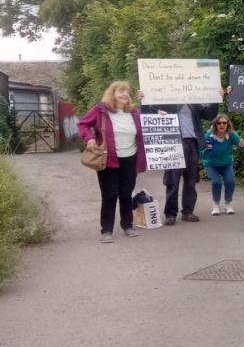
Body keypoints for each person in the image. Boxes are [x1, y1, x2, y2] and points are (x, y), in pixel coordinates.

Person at [79, 81, 147, 243]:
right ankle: (107, 230)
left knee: (125, 193)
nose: (125, 94)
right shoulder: (101, 110)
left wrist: (160, 114)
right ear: (113, 93)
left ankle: (127, 225)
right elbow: (83, 124)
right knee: (109, 195)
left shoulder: (134, 113)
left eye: (127, 92)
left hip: (130, 159)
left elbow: (149, 122)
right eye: (121, 91)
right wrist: (89, 139)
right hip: (108, 159)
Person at [139, 90, 220, 226]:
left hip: (192, 144)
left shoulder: (194, 104)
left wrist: (216, 98)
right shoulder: (167, 101)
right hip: (173, 143)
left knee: (191, 180)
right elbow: (148, 113)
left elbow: (210, 114)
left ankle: (188, 211)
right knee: (172, 180)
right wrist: (144, 100)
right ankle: (170, 214)